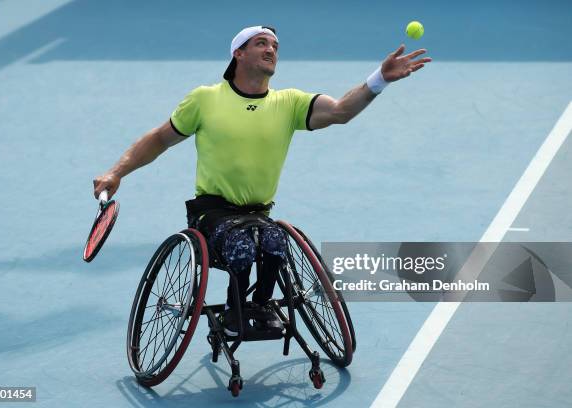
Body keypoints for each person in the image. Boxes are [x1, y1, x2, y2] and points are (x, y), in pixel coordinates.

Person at [93, 26, 431, 336]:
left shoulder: (290, 103)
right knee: (242, 246)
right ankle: (234, 311)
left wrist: (378, 81)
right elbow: (159, 139)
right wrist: (116, 172)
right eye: (261, 43)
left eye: (275, 46)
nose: (271, 49)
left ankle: (258, 305)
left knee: (274, 241)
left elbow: (341, 111)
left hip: (259, 215)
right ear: (238, 54)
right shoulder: (205, 99)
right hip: (211, 214)